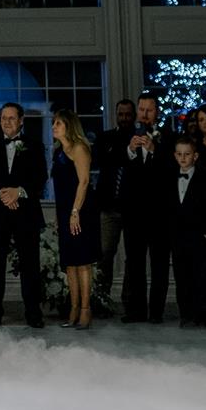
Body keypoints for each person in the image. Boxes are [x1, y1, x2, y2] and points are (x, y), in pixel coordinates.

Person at [0, 102, 46, 328]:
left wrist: (19, 191)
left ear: (21, 120)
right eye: (3, 118)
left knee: (30, 265)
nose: (6, 122)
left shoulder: (34, 145)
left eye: (11, 118)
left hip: (25, 213)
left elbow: (40, 177)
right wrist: (2, 194)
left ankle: (33, 313)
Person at [120, 92, 174, 324]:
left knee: (159, 263)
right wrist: (131, 150)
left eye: (149, 110)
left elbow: (172, 169)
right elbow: (115, 166)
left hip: (160, 212)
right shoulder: (125, 135)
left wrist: (154, 150)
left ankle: (156, 312)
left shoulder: (168, 137)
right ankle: (136, 311)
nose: (144, 114)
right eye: (141, 110)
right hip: (133, 212)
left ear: (157, 112)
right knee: (134, 263)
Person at [50, 109, 98, 329]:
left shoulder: (79, 148)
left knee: (82, 261)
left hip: (80, 211)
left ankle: (86, 310)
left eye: (58, 123)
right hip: (64, 211)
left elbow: (84, 182)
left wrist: (75, 212)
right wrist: (61, 216)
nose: (54, 127)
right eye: (54, 123)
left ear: (69, 126)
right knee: (70, 263)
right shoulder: (58, 151)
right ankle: (74, 308)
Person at [91, 97, 136, 313]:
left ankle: (130, 301)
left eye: (128, 114)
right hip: (108, 205)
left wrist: (124, 152)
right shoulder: (105, 137)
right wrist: (126, 152)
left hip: (133, 207)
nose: (124, 118)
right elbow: (101, 160)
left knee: (132, 257)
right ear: (116, 115)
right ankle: (101, 300)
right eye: (121, 114)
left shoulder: (141, 138)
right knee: (104, 254)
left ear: (133, 116)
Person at [165, 136, 206, 329]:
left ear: (195, 156)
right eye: (179, 154)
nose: (183, 158)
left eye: (187, 154)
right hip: (177, 236)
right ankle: (185, 314)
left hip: (198, 235)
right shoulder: (170, 177)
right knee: (181, 275)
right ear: (174, 155)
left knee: (200, 275)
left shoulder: (204, 177)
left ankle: (201, 315)